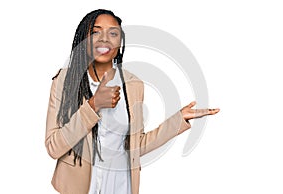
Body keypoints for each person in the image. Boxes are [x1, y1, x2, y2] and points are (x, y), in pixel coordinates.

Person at [45, 9, 220, 194]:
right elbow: (53, 148)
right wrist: (93, 105)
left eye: (113, 33)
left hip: (122, 186)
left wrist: (178, 120)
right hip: (80, 188)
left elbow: (135, 146)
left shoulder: (133, 84)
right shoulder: (65, 80)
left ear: (119, 42)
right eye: (96, 32)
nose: (105, 38)